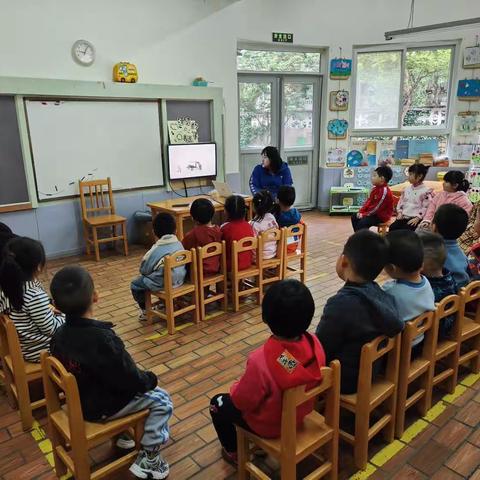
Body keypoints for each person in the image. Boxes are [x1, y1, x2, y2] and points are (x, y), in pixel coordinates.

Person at [50, 266, 172, 479]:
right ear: (95, 297)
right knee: (162, 399)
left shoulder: (58, 335)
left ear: (56, 305)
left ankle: (122, 435)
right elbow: (130, 379)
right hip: (103, 406)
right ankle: (149, 458)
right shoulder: (103, 339)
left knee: (109, 381)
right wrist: (150, 379)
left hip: (79, 401)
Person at [209, 279, 325, 465]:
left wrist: (236, 386)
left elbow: (241, 401)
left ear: (265, 317)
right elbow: (291, 370)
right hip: (300, 414)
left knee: (217, 404)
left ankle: (233, 452)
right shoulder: (315, 345)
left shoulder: (260, 360)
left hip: (269, 425)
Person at [315, 230, 403, 394]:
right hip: (371, 372)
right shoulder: (381, 294)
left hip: (345, 380)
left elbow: (321, 350)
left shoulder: (340, 305)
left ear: (344, 261)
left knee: (286, 363)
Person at [0, 237, 64, 363]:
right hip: (40, 350)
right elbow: (51, 329)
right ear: (39, 266)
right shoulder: (33, 295)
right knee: (84, 333)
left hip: (23, 346)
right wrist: (66, 316)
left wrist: (48, 309)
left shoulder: (7, 285)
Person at [383, 230, 435, 352]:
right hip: (420, 341)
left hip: (399, 350)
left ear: (391, 268)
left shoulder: (390, 292)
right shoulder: (426, 282)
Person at [131, 213, 186, 320]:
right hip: (180, 279)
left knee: (135, 284)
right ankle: (164, 304)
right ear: (176, 230)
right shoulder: (179, 244)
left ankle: (145, 311)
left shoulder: (155, 250)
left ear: (154, 232)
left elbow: (144, 270)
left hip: (163, 284)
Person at [418, 231, 458, 338]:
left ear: (420, 264)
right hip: (449, 328)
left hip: (430, 337)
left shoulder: (424, 289)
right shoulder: (450, 277)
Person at [432, 203, 470, 289]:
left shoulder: (432, 253)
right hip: (464, 294)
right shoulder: (462, 253)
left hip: (446, 297)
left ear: (434, 227)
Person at [389, 164, 433, 231]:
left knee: (406, 231)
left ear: (419, 176)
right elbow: (401, 202)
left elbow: (426, 206)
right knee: (393, 228)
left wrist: (418, 218)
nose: (408, 177)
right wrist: (400, 212)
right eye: (408, 174)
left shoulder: (425, 191)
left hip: (415, 218)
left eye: (411, 174)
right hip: (403, 216)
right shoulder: (406, 189)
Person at [182, 198, 222, 273]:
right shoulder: (218, 230)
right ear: (213, 214)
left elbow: (184, 253)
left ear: (193, 218)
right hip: (216, 268)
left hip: (198, 271)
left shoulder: (192, 235)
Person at [351, 166, 394, 232]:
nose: (372, 178)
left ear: (382, 179)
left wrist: (364, 214)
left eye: (374, 176)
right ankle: (359, 237)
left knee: (362, 222)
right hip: (373, 213)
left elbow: (377, 207)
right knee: (354, 216)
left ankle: (364, 239)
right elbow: (368, 202)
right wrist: (361, 212)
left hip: (381, 216)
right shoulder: (376, 188)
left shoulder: (384, 191)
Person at [221, 195, 255, 271]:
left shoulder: (224, 228)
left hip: (231, 265)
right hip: (248, 262)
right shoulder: (249, 225)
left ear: (226, 211)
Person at [250, 190, 279, 259]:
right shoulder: (272, 218)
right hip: (273, 253)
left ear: (254, 206)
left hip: (258, 257)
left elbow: (253, 244)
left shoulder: (254, 224)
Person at [276, 185, 302, 254]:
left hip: (279, 249)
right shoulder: (297, 217)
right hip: (292, 247)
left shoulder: (276, 218)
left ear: (278, 200)